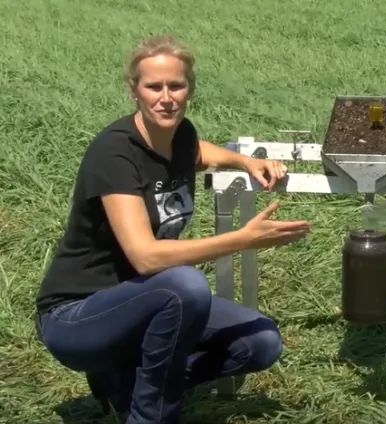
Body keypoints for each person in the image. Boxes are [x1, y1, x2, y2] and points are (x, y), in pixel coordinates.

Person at [34, 34, 312, 423]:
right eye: (154, 86)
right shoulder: (115, 153)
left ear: (189, 89)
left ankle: (126, 383)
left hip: (145, 303)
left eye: (176, 86)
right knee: (184, 285)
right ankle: (149, 414)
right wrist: (242, 240)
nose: (166, 97)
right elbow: (145, 257)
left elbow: (197, 152)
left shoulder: (180, 135)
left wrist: (243, 161)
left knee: (260, 342)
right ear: (134, 90)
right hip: (78, 316)